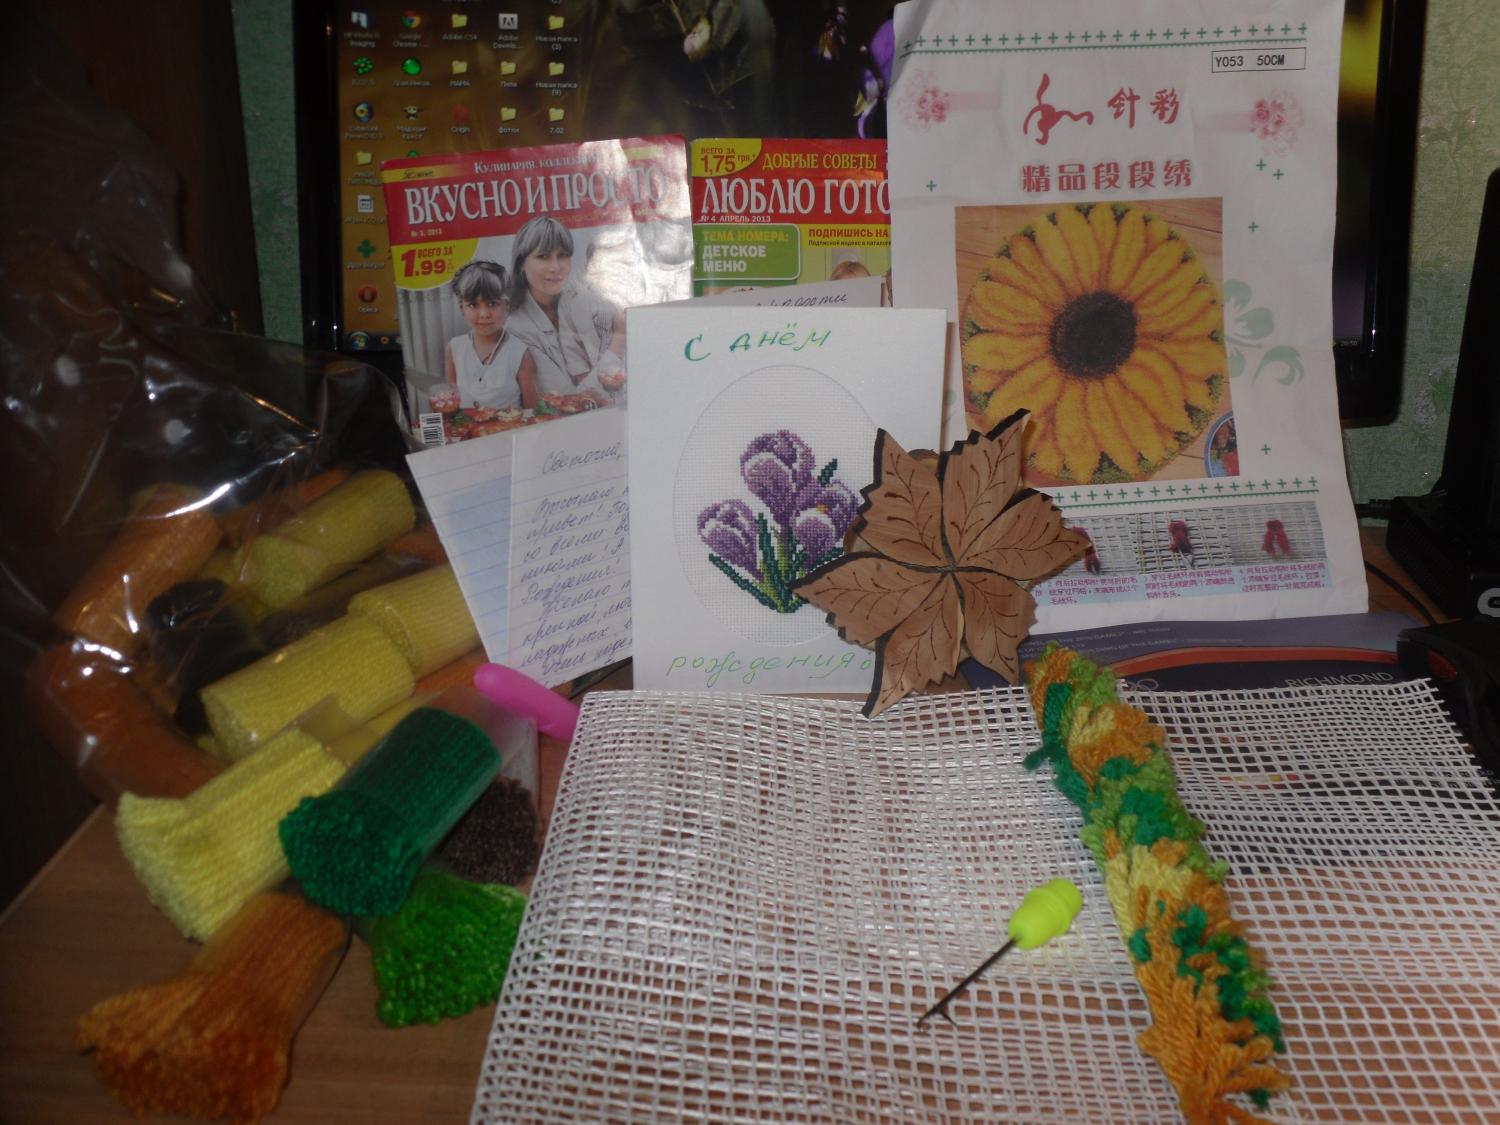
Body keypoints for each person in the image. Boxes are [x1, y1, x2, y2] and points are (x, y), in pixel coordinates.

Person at [508, 215, 626, 398]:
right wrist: (618, 341)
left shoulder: (583, 299)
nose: (556, 267)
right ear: (521, 264)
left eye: (562, 256)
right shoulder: (516, 329)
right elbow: (568, 399)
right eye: (543, 256)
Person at [442, 259, 538, 411]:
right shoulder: (454, 348)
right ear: (462, 308)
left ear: (506, 306)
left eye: (492, 304)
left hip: (510, 425)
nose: (484, 314)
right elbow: (452, 404)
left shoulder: (520, 352)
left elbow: (532, 410)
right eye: (473, 305)